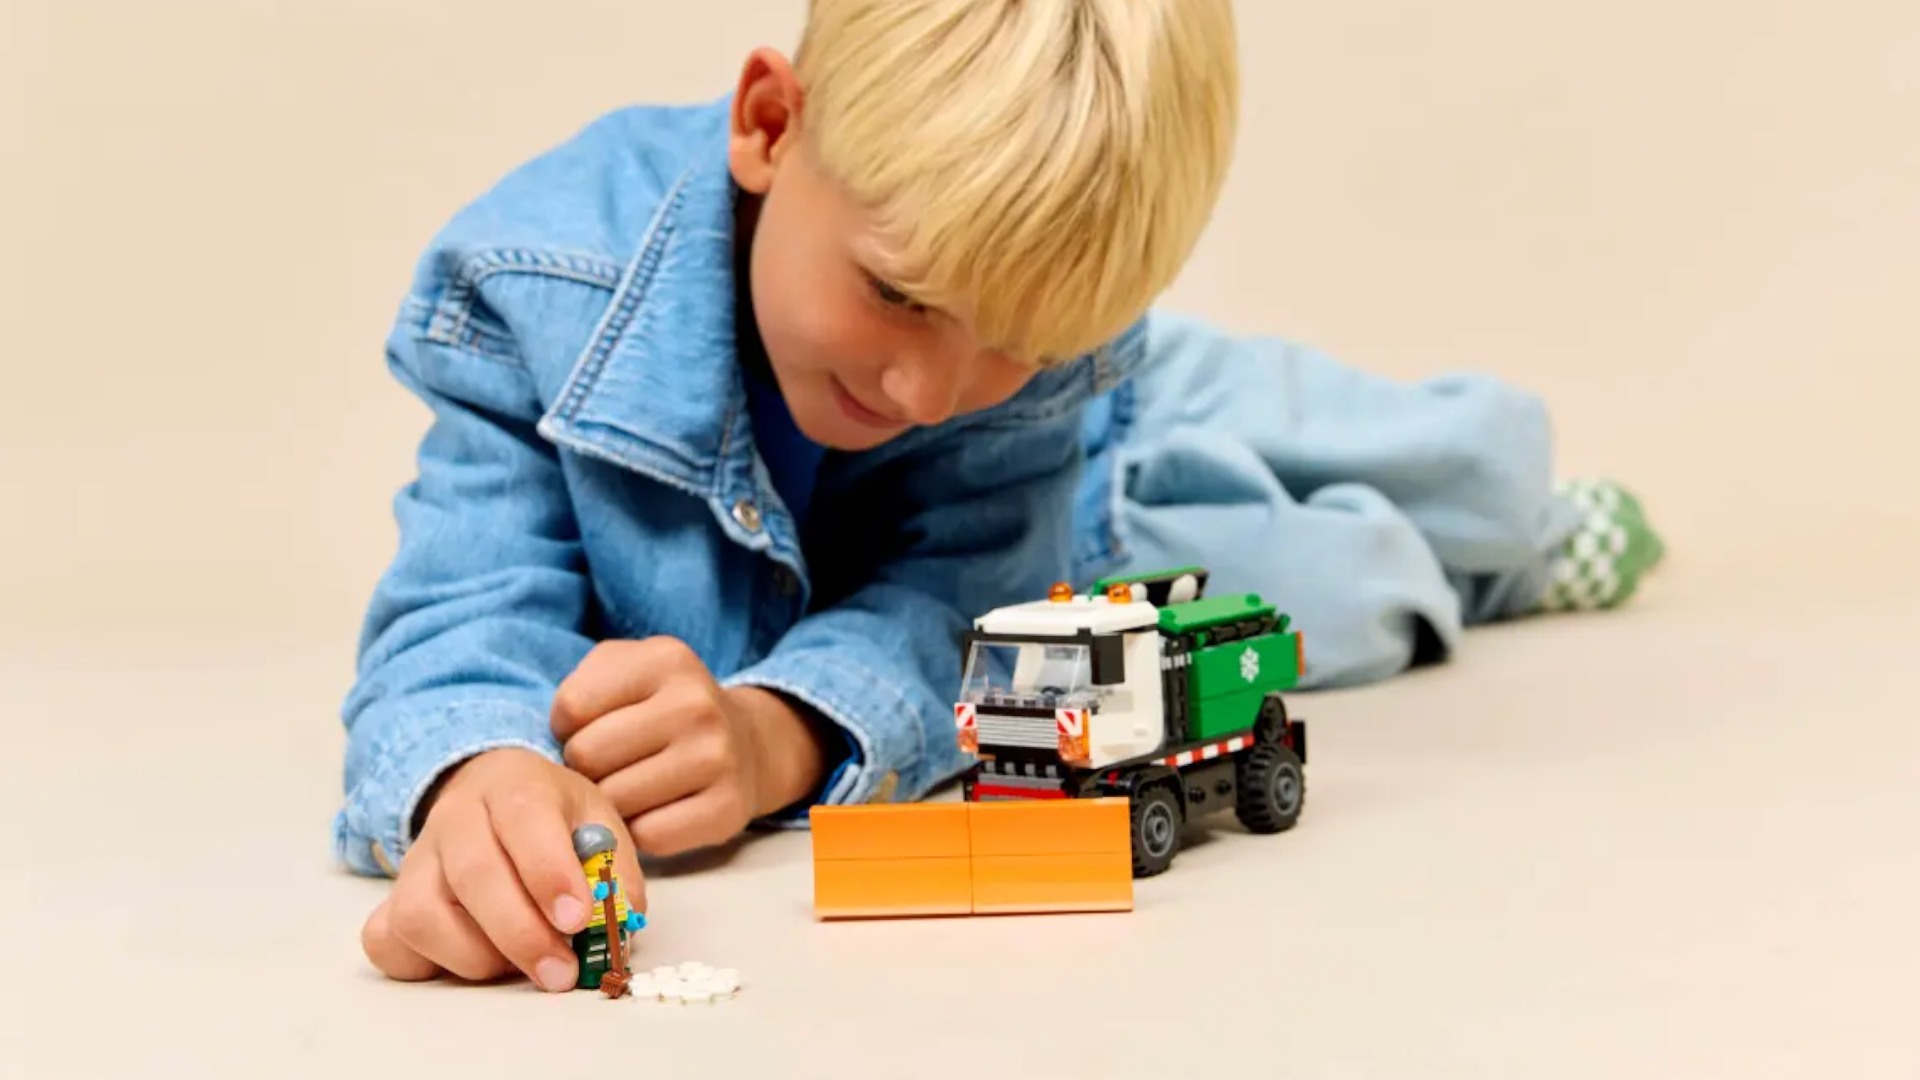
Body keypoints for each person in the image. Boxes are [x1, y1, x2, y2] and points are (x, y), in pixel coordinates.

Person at [347, 0, 1663, 992]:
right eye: (898, 295)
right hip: (1091, 553)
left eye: (1006, 334)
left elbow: (962, 595)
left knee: (1478, 466)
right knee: (1361, 600)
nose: (928, 388)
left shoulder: (1019, 365)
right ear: (769, 126)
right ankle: (1494, 574)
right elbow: (461, 612)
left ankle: (1523, 535)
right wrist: (475, 767)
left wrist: (775, 735)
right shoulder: (532, 297)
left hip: (1119, 424)